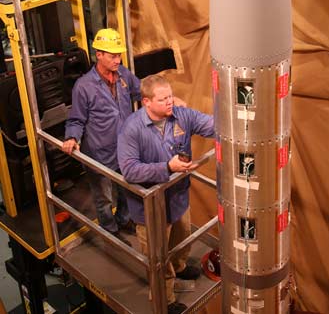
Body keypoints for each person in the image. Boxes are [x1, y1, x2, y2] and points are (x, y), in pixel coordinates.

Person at [118, 74, 215, 314]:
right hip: (150, 208)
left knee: (182, 238)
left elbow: (213, 125)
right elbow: (129, 170)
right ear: (146, 102)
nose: (170, 102)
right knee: (158, 257)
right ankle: (166, 299)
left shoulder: (182, 116)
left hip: (178, 198)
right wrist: (166, 168)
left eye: (171, 96)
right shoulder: (132, 129)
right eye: (163, 99)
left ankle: (180, 266)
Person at [62, 28, 140, 238]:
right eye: (113, 55)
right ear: (99, 55)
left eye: (119, 54)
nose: (118, 59)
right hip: (99, 154)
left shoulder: (124, 75)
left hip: (125, 149)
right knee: (103, 197)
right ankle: (110, 229)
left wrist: (163, 98)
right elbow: (76, 119)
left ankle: (124, 220)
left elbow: (141, 92)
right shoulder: (84, 86)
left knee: (127, 190)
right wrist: (71, 137)